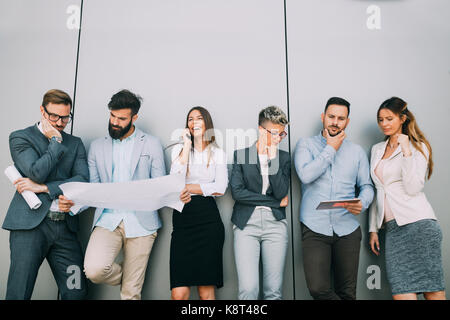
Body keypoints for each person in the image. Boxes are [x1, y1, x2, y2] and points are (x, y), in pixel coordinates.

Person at [58, 89, 166, 300]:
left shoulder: (151, 144)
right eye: (112, 116)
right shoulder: (97, 147)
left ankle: (132, 282)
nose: (115, 122)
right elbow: (94, 189)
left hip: (142, 222)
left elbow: (159, 185)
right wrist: (73, 204)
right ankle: (132, 277)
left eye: (122, 118)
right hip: (107, 219)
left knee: (130, 293)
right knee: (94, 270)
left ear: (134, 117)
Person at [3, 89, 89, 299]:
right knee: (19, 291)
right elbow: (36, 172)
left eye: (65, 117)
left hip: (65, 230)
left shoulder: (76, 143)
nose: (60, 123)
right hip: (29, 228)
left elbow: (83, 180)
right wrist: (55, 142)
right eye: (54, 116)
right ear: (42, 111)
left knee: (76, 290)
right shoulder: (20, 137)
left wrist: (45, 189)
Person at [294, 97, 374, 300]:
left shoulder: (356, 152)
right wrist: (331, 148)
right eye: (331, 116)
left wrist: (362, 202)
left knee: (347, 293)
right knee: (318, 289)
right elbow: (305, 175)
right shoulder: (306, 145)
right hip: (314, 228)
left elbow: (367, 186)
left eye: (341, 118)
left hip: (348, 228)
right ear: (323, 117)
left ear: (347, 122)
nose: (335, 122)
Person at [368, 97, 446, 300]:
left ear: (402, 118)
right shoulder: (377, 149)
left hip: (420, 225)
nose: (384, 124)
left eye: (389, 118)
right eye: (380, 119)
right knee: (401, 291)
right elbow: (378, 189)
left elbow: (413, 187)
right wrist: (373, 229)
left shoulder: (418, 146)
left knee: (432, 289)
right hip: (394, 230)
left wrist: (406, 150)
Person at [230, 106, 290, 300]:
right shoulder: (241, 155)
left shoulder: (284, 158)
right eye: (275, 133)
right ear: (260, 130)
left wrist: (272, 158)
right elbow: (238, 193)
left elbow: (281, 191)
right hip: (246, 223)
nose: (279, 138)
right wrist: (274, 202)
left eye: (282, 134)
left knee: (273, 291)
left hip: (275, 225)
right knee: (248, 289)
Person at [170, 106, 228, 300]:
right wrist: (186, 146)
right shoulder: (178, 151)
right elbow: (175, 180)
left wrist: (190, 188)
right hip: (183, 218)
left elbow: (220, 187)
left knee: (206, 290)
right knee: (179, 293)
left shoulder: (218, 153)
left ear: (207, 123)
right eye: (190, 119)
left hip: (208, 220)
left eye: (199, 118)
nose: (194, 122)